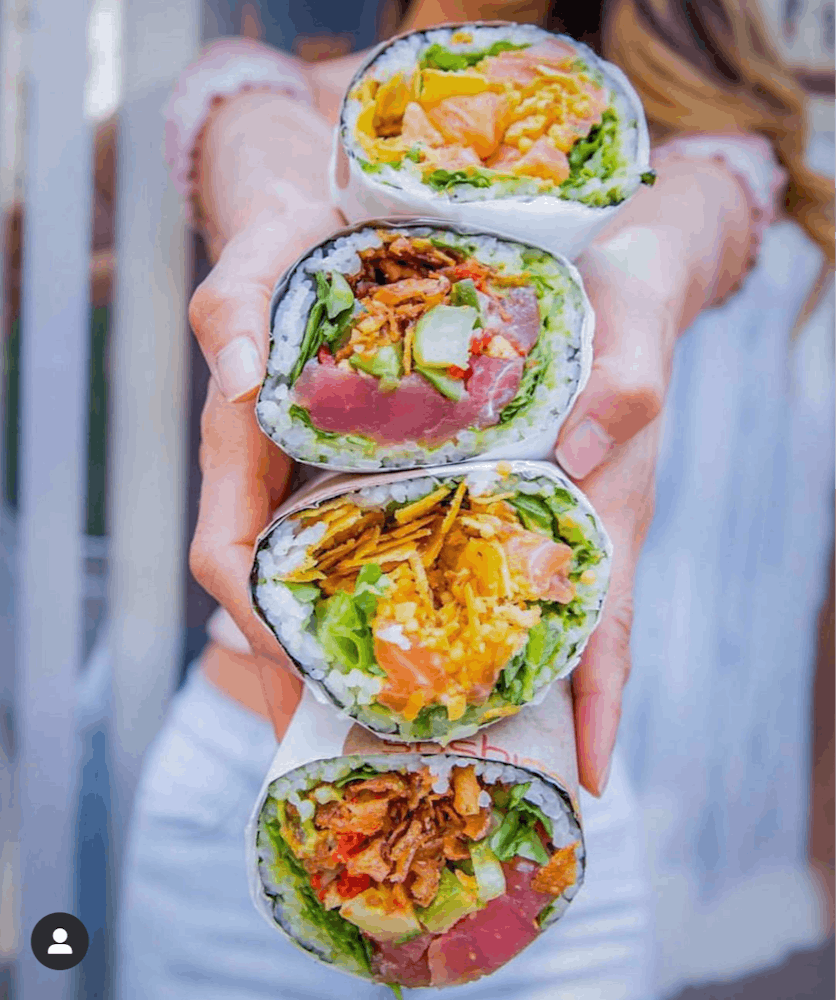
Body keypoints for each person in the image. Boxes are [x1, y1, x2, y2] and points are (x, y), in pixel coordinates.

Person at [117, 1, 831, 998]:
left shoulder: (689, 148)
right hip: (233, 802)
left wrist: (640, 278)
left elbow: (690, 214)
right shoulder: (281, 95)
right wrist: (275, 210)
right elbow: (252, 135)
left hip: (542, 857)